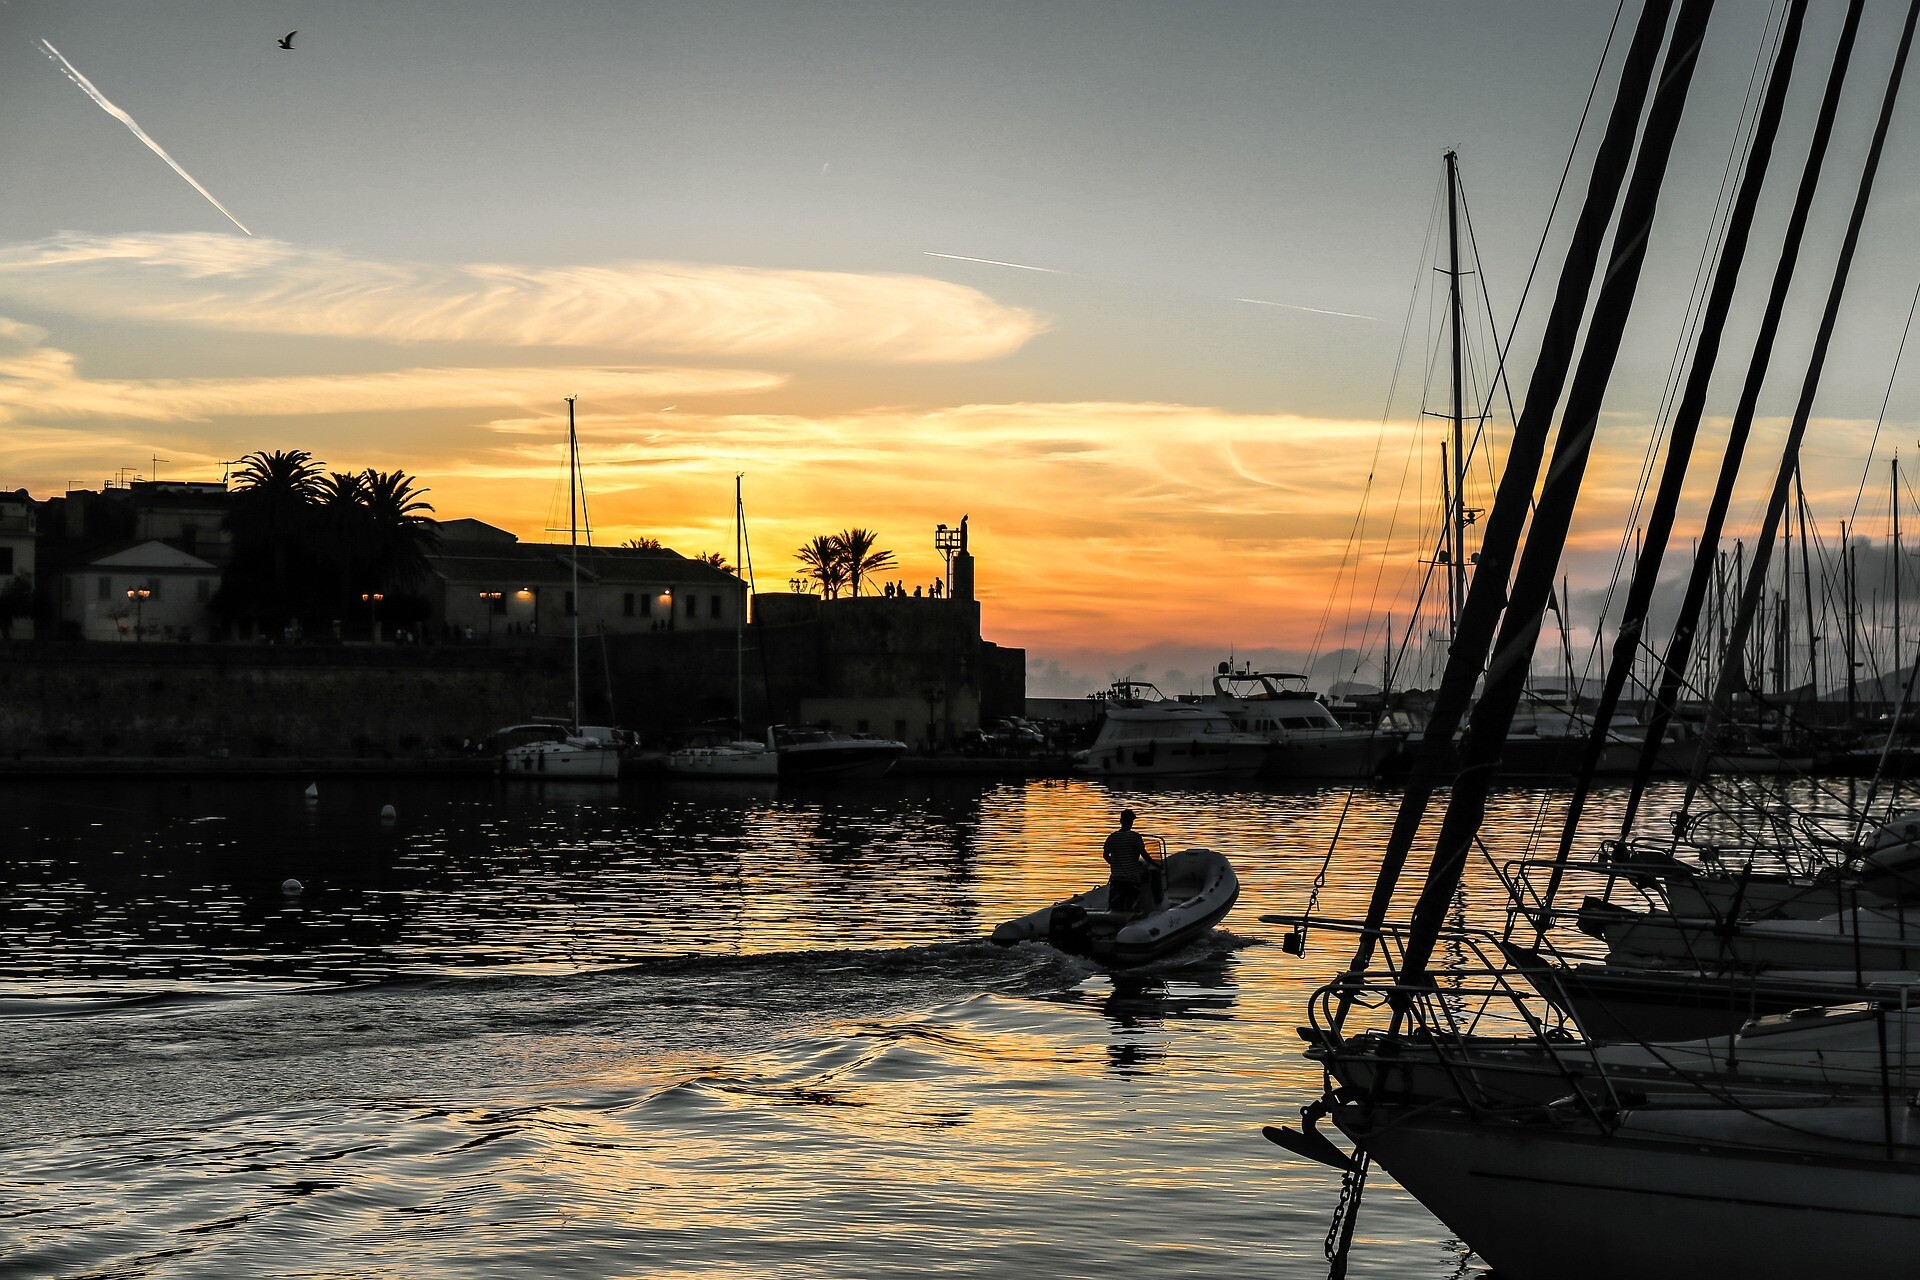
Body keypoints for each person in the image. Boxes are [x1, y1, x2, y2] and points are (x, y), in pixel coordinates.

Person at [1102, 809, 1157, 915]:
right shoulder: (1135, 837)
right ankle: (1146, 910)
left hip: (1116, 879)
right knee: (1147, 877)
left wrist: (1115, 864)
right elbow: (1144, 855)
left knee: (1117, 904)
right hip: (1132, 880)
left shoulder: (1112, 837)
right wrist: (1156, 865)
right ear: (1131, 822)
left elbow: (1105, 855)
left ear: (1120, 821)